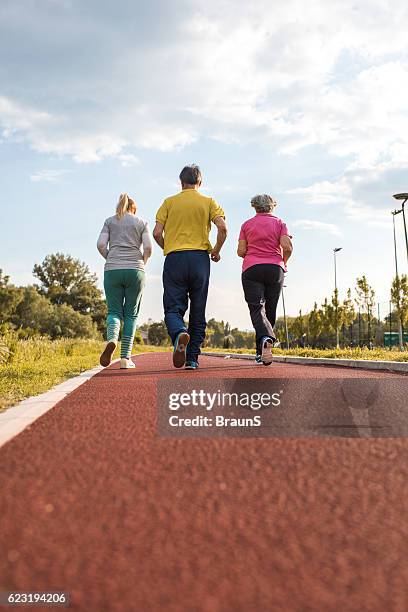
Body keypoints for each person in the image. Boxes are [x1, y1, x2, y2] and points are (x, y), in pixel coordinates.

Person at [153, 164, 227, 370]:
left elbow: (157, 233)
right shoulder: (209, 202)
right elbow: (223, 227)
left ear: (181, 182)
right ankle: (192, 358)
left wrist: (168, 246)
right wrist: (216, 250)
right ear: (200, 182)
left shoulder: (169, 202)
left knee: (172, 307)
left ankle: (178, 333)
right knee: (198, 308)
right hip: (199, 259)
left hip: (175, 258)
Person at [97, 193, 152, 369]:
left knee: (114, 312)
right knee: (131, 315)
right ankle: (125, 359)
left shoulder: (109, 221)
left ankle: (112, 339)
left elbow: (100, 244)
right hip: (135, 269)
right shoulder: (141, 222)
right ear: (133, 209)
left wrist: (110, 257)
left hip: (112, 269)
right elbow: (149, 247)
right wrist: (142, 261)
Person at [238, 194, 293, 365]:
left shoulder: (246, 225)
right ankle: (261, 350)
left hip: (252, 268)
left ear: (254, 206)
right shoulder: (280, 223)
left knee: (256, 308)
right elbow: (287, 247)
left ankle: (265, 340)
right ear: (272, 206)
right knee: (270, 309)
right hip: (275, 269)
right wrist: (284, 262)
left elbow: (240, 251)